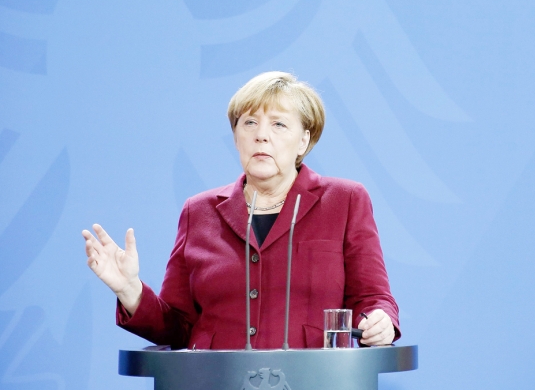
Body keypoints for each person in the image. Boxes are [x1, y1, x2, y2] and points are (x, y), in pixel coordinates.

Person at [82, 72, 399, 349]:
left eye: (278, 124)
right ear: (236, 137)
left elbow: (371, 298)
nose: (261, 134)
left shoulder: (344, 201)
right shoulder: (199, 211)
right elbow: (177, 328)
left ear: (304, 140)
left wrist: (379, 320)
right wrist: (130, 289)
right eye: (249, 123)